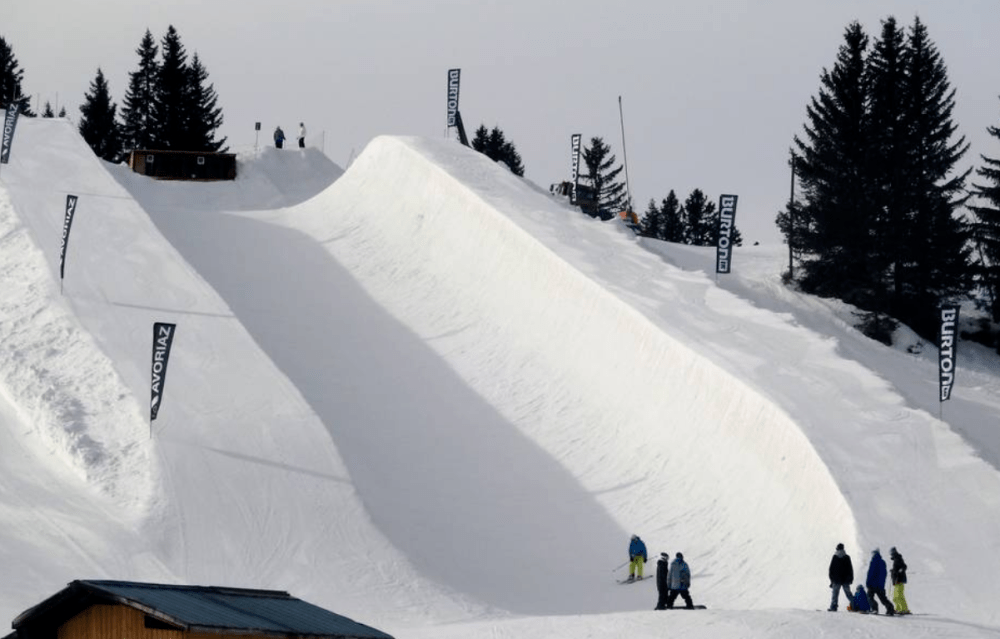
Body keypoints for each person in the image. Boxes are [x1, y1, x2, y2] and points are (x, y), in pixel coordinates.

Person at [865, 548, 895, 615]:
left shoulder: (873, 561)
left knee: (869, 597)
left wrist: (867, 583)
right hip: (880, 585)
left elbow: (870, 573)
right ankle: (890, 609)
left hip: (872, 584)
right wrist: (882, 583)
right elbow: (884, 574)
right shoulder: (883, 562)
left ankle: (874, 609)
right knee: (883, 599)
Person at [828, 542, 854, 611]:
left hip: (836, 580)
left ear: (837, 549)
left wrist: (831, 580)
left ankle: (833, 607)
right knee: (848, 594)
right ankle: (855, 605)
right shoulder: (847, 557)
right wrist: (851, 579)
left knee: (835, 594)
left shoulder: (835, 557)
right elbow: (850, 569)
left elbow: (831, 569)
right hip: (846, 580)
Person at [889, 546, 910, 615]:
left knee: (899, 596)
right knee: (895, 597)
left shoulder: (898, 558)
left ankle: (904, 609)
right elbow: (897, 569)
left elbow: (904, 566)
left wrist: (899, 572)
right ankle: (898, 609)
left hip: (899, 580)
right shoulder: (896, 559)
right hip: (896, 581)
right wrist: (893, 571)